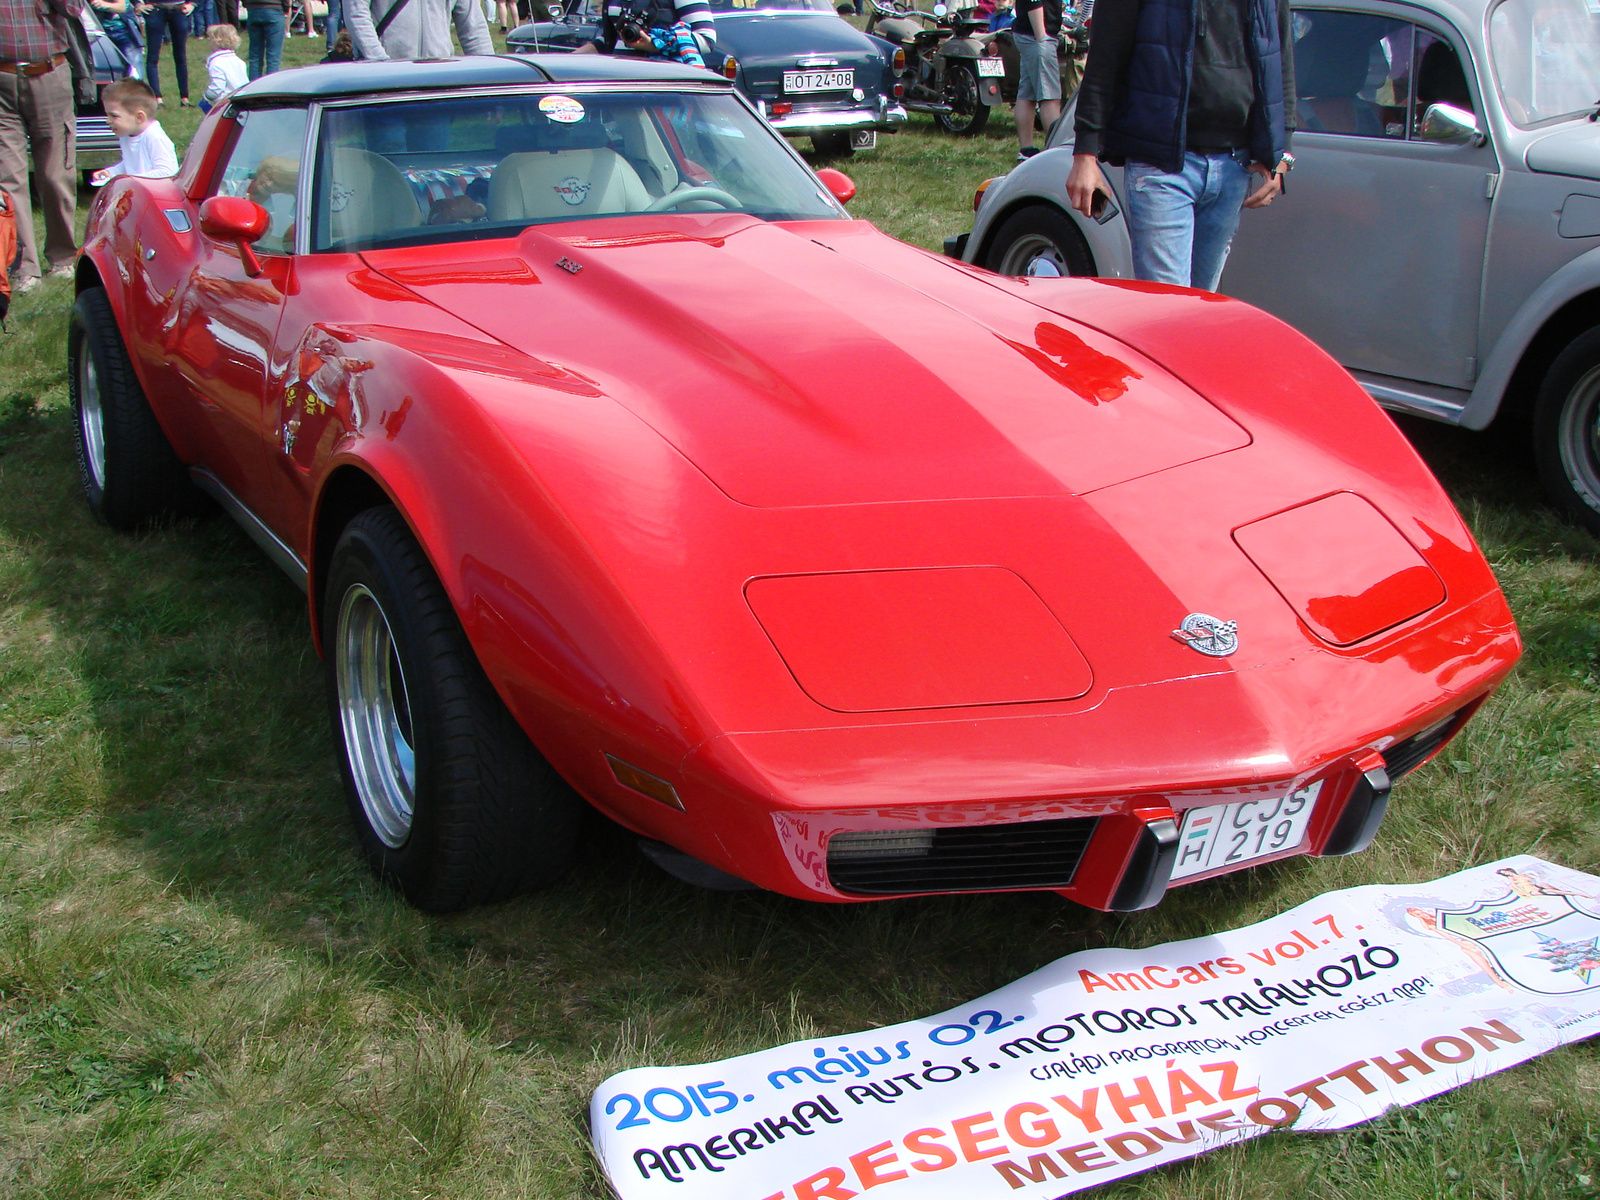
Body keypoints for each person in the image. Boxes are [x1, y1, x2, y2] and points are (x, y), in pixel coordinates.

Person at [1066, 0, 1296, 290]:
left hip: (1234, 164)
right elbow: (1105, 56)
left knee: (1200, 311)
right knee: (1169, 311)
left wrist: (1281, 152)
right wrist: (1085, 154)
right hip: (1161, 166)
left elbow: (1280, 58)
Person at [0, 0, 82, 294]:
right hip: (2, 80)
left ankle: (62, 258)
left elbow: (74, 9)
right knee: (8, 182)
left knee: (55, 175)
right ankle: (24, 267)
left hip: (49, 73)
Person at [90, 76, 178, 182]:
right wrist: (111, 172)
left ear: (139, 117)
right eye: (107, 115)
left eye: (114, 116)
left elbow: (167, 172)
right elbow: (129, 164)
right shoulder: (127, 135)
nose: (108, 120)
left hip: (158, 196)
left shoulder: (154, 136)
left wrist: (131, 180)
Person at [343, 0, 493, 60]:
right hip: (385, 87)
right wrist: (380, 62)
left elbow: (473, 28)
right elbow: (357, 15)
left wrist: (489, 81)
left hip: (437, 82)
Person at [573, 0, 713, 60]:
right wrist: (565, 60)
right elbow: (610, 41)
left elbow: (706, 40)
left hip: (662, 86)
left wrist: (654, 45)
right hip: (620, 82)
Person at [1011, 0, 1061, 162]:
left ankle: (1026, 150)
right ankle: (1056, 150)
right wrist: (1042, 37)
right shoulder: (1040, 37)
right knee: (1050, 97)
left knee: (1027, 93)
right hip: (1037, 35)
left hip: (1029, 33)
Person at [137, 0, 195, 104]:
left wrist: (193, 4)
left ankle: (184, 98)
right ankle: (157, 97)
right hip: (155, 8)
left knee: (180, 55)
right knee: (153, 56)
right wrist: (138, 5)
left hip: (179, 9)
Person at [199, 22, 245, 111]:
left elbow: (218, 86)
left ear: (215, 41)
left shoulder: (216, 63)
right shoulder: (238, 61)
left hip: (226, 104)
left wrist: (206, 96)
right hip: (242, 98)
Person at [243, 0, 286, 75]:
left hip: (253, 9)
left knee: (255, 56)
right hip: (274, 8)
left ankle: (254, 84)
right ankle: (271, 85)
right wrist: (286, 6)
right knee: (273, 56)